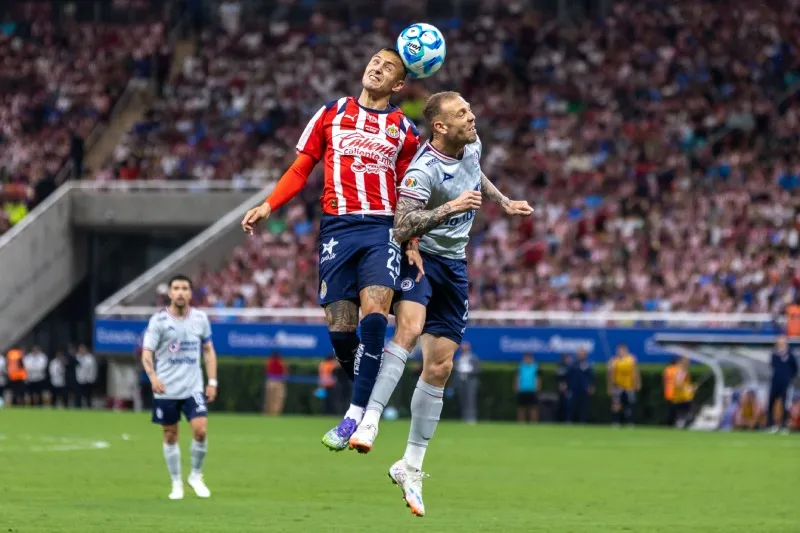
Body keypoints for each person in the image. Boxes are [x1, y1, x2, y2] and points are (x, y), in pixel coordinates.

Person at [346, 91, 532, 516]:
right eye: (462, 113)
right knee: (408, 330)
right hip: (422, 258)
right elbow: (401, 224)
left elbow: (475, 174)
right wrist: (450, 207)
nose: (472, 115)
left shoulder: (473, 144)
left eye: (469, 108)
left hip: (455, 265)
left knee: (441, 366)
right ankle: (370, 417)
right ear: (440, 126)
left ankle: (410, 466)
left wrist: (503, 201)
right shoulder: (422, 171)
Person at [240, 48, 422, 450]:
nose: (376, 66)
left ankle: (356, 417)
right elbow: (301, 168)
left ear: (398, 85)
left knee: (375, 313)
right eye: (374, 60)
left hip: (381, 228)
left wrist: (412, 238)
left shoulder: (404, 130)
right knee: (342, 334)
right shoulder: (330, 113)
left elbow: (412, 191)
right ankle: (369, 398)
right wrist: (269, 204)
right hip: (337, 230)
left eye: (387, 66)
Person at [141, 274, 218, 500]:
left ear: (190, 293)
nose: (181, 292)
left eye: (185, 288)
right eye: (177, 288)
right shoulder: (159, 321)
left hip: (193, 387)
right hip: (166, 388)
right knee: (170, 435)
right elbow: (147, 352)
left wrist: (212, 382)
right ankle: (176, 482)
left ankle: (195, 475)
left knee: (201, 430)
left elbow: (208, 350)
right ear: (170, 293)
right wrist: (153, 377)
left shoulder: (200, 319)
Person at [767, 335, 798, 433]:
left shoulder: (790, 354)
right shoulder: (774, 354)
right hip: (775, 382)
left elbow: (795, 368)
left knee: (785, 403)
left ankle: (784, 425)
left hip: (785, 383)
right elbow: (772, 366)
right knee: (771, 403)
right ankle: (771, 425)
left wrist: (788, 378)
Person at [607, 344, 641, 427]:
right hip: (618, 386)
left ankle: (629, 422)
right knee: (616, 405)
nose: (620, 352)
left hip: (629, 386)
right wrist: (610, 387)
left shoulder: (631, 359)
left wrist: (637, 383)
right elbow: (610, 374)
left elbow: (636, 372)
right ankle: (615, 422)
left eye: (622, 350)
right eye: (619, 350)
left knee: (629, 405)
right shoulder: (614, 360)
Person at [455, 342, 481, 424]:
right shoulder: (459, 358)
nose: (463, 349)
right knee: (463, 400)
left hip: (471, 380)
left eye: (465, 348)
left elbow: (478, 370)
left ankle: (472, 418)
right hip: (461, 380)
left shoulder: (474, 358)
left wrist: (469, 372)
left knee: (471, 399)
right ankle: (465, 418)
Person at [567, 349, 595, 423]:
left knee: (584, 406)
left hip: (584, 389)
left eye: (582, 354)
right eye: (579, 354)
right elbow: (568, 376)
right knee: (571, 405)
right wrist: (567, 386)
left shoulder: (589, 364)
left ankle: (583, 421)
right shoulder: (573, 364)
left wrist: (591, 386)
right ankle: (569, 421)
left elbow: (592, 377)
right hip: (573, 388)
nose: (581, 355)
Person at [515, 354, 540, 424]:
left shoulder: (535, 367)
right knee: (521, 408)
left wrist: (537, 388)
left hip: (532, 390)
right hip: (522, 390)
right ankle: (521, 423)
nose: (527, 360)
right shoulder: (521, 367)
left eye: (529, 358)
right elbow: (517, 377)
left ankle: (534, 423)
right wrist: (516, 387)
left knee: (533, 408)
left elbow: (538, 378)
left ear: (532, 359)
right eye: (526, 358)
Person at [672, 356, 696, 428]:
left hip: (684, 396)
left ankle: (681, 425)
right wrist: (689, 388)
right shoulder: (681, 370)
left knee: (682, 414)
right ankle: (680, 426)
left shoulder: (682, 370)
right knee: (683, 414)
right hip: (682, 397)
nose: (689, 363)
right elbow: (678, 383)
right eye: (687, 361)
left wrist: (690, 387)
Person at [75, 344, 97, 409]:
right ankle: (78, 408)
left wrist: (92, 378)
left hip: (88, 380)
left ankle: (89, 407)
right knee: (78, 395)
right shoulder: (77, 357)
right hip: (79, 379)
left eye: (82, 349)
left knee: (88, 396)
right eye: (80, 349)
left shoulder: (90, 358)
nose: (81, 351)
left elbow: (91, 369)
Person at [556, 353, 572, 422]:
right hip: (562, 389)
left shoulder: (570, 367)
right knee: (561, 405)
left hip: (568, 389)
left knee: (567, 405)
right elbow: (559, 378)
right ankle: (560, 420)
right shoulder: (561, 366)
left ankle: (566, 419)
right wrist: (563, 387)